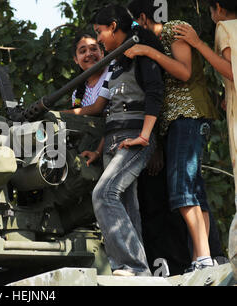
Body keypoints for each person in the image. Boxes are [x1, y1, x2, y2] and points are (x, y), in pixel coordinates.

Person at [125, 0, 221, 272]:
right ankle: (203, 257)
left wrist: (148, 51)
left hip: (187, 117)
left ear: (142, 18)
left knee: (182, 190)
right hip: (176, 122)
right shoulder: (158, 41)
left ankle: (202, 257)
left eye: (133, 25)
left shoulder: (174, 30)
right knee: (194, 191)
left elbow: (184, 71)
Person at [72, 4, 165, 276]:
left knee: (103, 194)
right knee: (125, 205)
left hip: (134, 137)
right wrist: (99, 150)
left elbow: (155, 93)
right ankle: (140, 273)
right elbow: (111, 110)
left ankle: (131, 266)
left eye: (100, 32)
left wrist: (145, 136)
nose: (98, 39)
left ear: (113, 26)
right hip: (113, 139)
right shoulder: (116, 60)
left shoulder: (140, 51)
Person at [172, 0, 236, 277]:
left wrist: (198, 43)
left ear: (218, 8)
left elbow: (232, 70)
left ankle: (203, 256)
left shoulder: (224, 27)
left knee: (186, 188)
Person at [63, 33, 107, 165]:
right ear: (76, 59)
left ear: (102, 53)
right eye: (83, 51)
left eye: (94, 49)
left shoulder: (111, 73)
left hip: (113, 140)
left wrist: (58, 115)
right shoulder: (77, 92)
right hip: (90, 153)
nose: (89, 54)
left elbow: (97, 108)